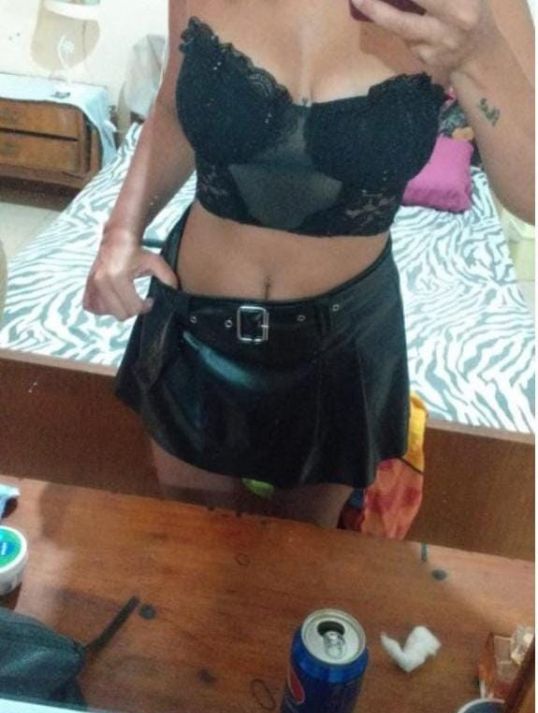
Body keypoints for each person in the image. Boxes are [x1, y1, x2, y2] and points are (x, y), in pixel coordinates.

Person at [83, 0, 534, 528]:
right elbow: (172, 110)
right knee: (189, 545)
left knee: (304, 555)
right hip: (195, 324)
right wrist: (120, 232)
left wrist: (481, 53)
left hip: (343, 345)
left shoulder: (479, 7)